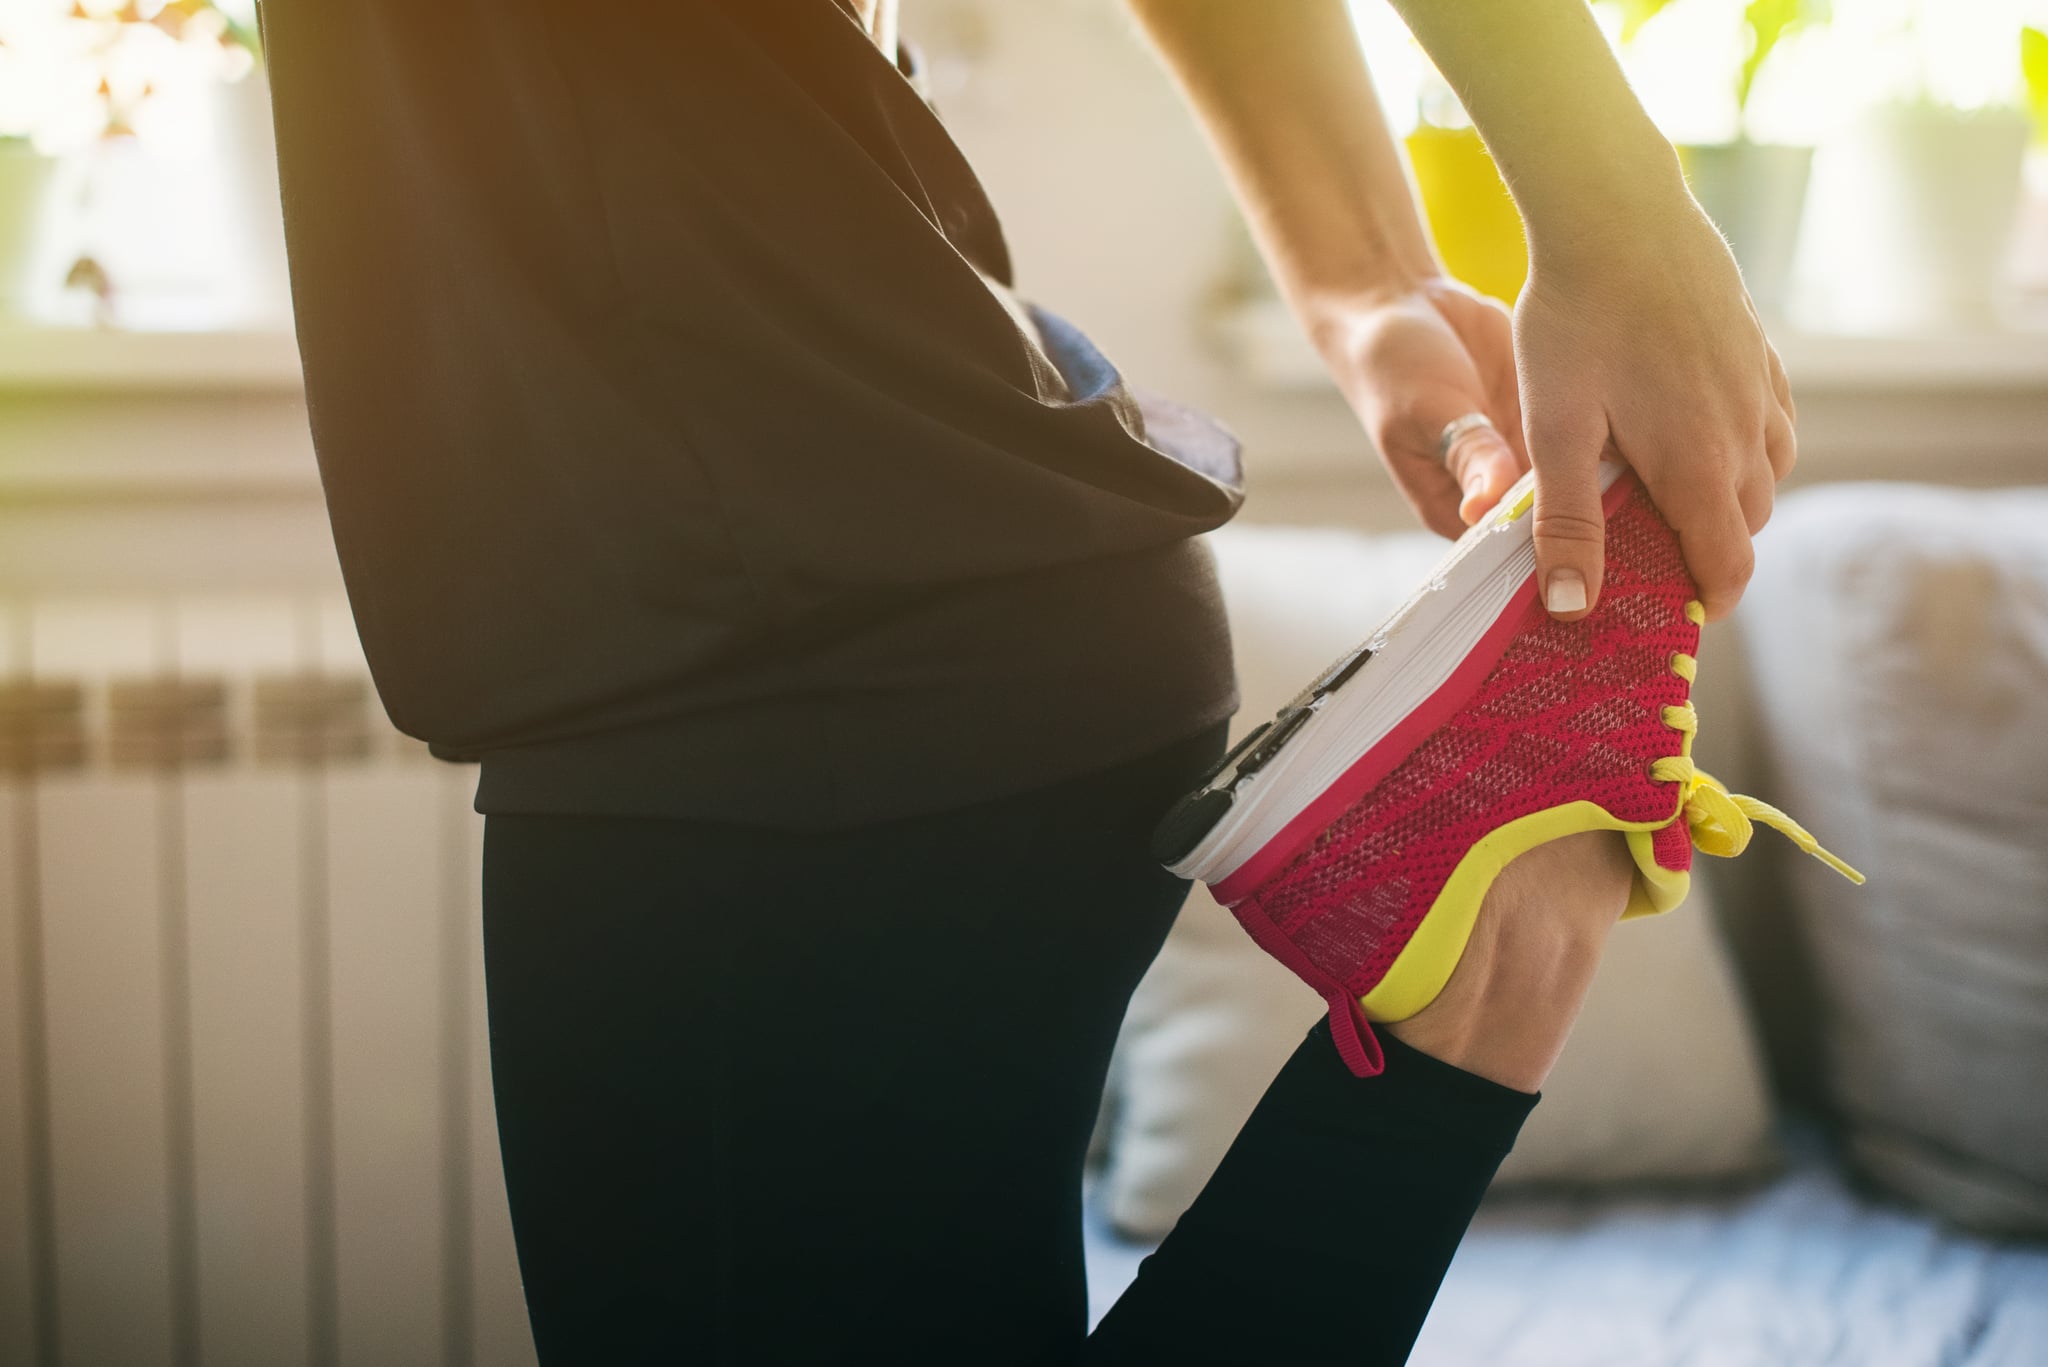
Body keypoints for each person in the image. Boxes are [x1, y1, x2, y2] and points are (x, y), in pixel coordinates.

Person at [257, 1, 1797, 1361]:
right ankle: (1476, 1003)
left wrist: (1621, 221)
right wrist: (1370, 281)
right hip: (889, 585)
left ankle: (1488, 988)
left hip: (774, 643)